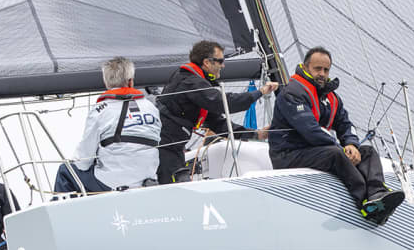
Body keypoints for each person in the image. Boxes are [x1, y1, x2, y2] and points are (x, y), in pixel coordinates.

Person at [268, 46, 404, 225]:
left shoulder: (331, 97)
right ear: (306, 67)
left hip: (314, 151)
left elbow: (345, 124)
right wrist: (342, 148)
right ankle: (365, 203)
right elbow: (310, 131)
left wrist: (352, 144)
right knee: (335, 153)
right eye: (317, 69)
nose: (322, 74)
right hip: (287, 154)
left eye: (326, 70)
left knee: (367, 152)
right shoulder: (292, 93)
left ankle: (377, 194)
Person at [156, 40, 278, 184]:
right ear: (207, 62)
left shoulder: (196, 85)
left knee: (177, 185)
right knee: (173, 187)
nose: (223, 65)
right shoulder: (190, 82)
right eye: (220, 61)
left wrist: (256, 134)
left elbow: (218, 124)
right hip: (164, 148)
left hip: (172, 147)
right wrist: (261, 92)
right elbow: (226, 103)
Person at [54, 56, 161, 194]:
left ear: (107, 83)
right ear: (131, 82)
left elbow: (83, 161)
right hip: (148, 179)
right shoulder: (150, 107)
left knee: (66, 171)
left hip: (113, 182)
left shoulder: (100, 110)